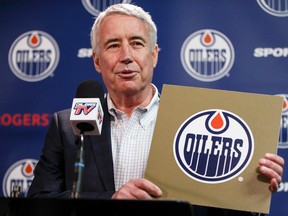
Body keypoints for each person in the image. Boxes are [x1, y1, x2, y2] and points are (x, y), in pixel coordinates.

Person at [27, 3, 284, 216]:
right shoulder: (67, 126)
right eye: (113, 45)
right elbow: (38, 203)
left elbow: (217, 209)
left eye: (137, 43)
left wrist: (250, 192)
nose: (126, 55)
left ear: (154, 55)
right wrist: (111, 200)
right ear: (96, 60)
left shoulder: (192, 123)